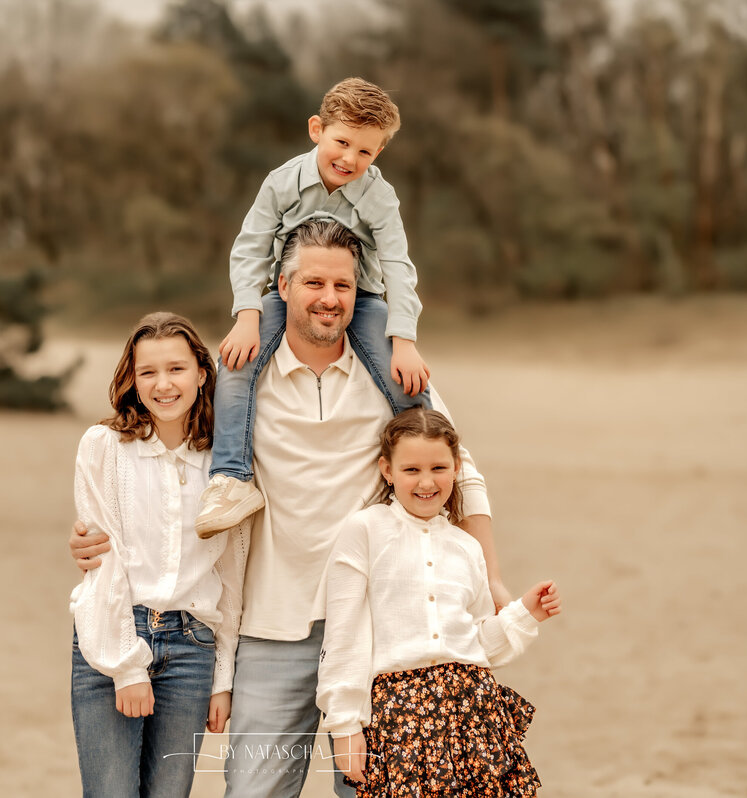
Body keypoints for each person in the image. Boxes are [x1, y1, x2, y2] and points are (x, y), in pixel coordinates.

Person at [72, 219, 511, 798]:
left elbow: (462, 469)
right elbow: (183, 475)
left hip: (380, 630)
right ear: (282, 286)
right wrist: (97, 537)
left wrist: (492, 577)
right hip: (272, 627)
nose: (329, 299)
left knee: (376, 790)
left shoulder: (397, 382)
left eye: (344, 286)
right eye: (313, 283)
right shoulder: (241, 387)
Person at [195, 76, 433, 539]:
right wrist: (247, 315)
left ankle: (427, 474)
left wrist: (404, 340)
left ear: (378, 153)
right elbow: (249, 248)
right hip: (287, 295)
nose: (350, 159)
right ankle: (231, 478)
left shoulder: (379, 197)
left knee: (404, 380)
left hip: (357, 299)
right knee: (235, 362)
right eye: (342, 142)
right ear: (316, 130)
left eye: (365, 152)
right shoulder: (281, 183)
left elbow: (399, 267)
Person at [317, 408, 562, 796]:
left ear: (456, 467)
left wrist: (522, 615)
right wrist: (346, 727)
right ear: (387, 470)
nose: (426, 482)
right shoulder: (365, 530)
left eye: (438, 468)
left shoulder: (466, 547)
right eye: (411, 470)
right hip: (398, 715)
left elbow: (478, 644)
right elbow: (343, 638)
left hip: (474, 712)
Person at [68, 311, 249, 798]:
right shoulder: (103, 448)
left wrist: (223, 677)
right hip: (113, 637)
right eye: (148, 372)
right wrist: (126, 667)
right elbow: (104, 559)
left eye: (176, 369)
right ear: (132, 378)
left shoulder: (226, 462)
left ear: (202, 374)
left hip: (193, 649)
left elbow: (233, 573)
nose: (163, 384)